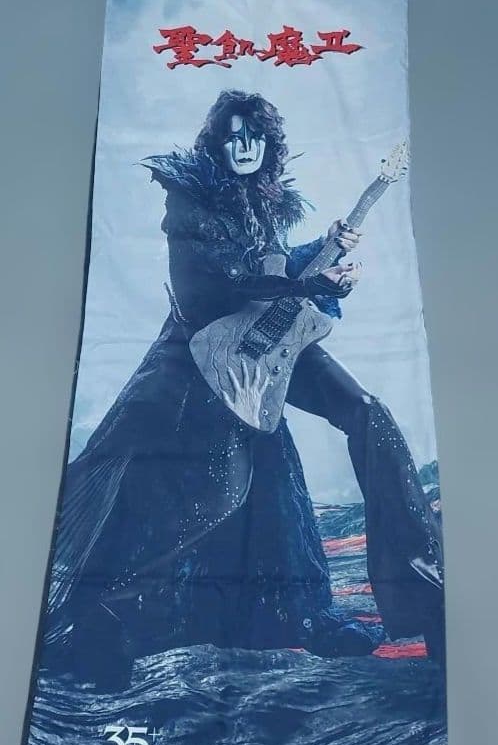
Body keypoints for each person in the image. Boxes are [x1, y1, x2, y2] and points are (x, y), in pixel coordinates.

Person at [45, 89, 444, 691]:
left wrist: (326, 255)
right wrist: (307, 286)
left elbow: (275, 270)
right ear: (216, 142)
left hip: (267, 346)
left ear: (269, 145)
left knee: (368, 413)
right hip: (202, 360)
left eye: (254, 137)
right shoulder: (189, 201)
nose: (244, 147)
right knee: (217, 494)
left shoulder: (267, 200)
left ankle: (424, 591)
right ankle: (105, 618)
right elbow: (217, 288)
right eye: (233, 137)